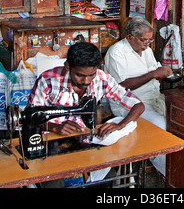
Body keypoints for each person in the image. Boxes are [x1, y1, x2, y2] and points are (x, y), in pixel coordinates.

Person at [26, 41, 144, 187]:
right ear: (68, 66)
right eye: (80, 75)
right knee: (54, 181)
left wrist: (121, 125)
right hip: (52, 141)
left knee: (108, 178)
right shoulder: (48, 80)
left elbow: (138, 105)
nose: (86, 81)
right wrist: (53, 127)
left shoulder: (102, 79)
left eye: (91, 75)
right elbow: (30, 117)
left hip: (84, 140)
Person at [104, 16, 172, 176]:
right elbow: (122, 86)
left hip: (153, 99)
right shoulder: (117, 53)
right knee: (160, 127)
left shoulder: (146, 50)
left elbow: (154, 69)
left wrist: (164, 72)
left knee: (178, 120)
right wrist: (153, 74)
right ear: (129, 37)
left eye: (150, 40)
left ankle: (174, 172)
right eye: (143, 40)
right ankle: (167, 176)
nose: (147, 44)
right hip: (129, 106)